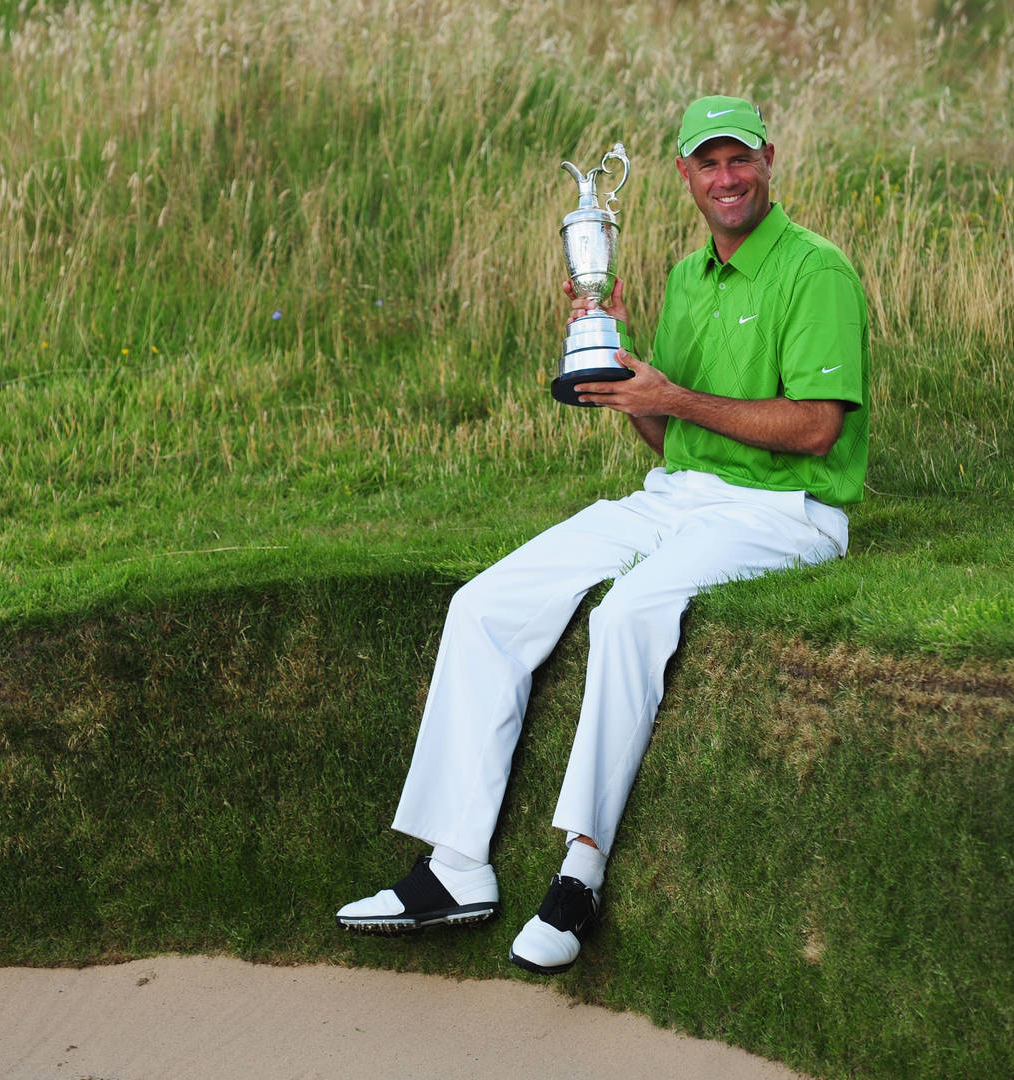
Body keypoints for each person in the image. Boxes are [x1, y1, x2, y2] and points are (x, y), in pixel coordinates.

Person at [336, 95, 870, 975]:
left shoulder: (817, 271)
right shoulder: (692, 277)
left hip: (788, 512)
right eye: (709, 163)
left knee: (627, 616)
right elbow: (675, 436)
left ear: (770, 160)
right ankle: (457, 865)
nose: (726, 178)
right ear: (683, 175)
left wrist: (676, 400)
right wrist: (612, 360)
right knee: (484, 602)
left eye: (741, 160)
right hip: (681, 492)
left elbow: (815, 428)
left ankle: (579, 873)